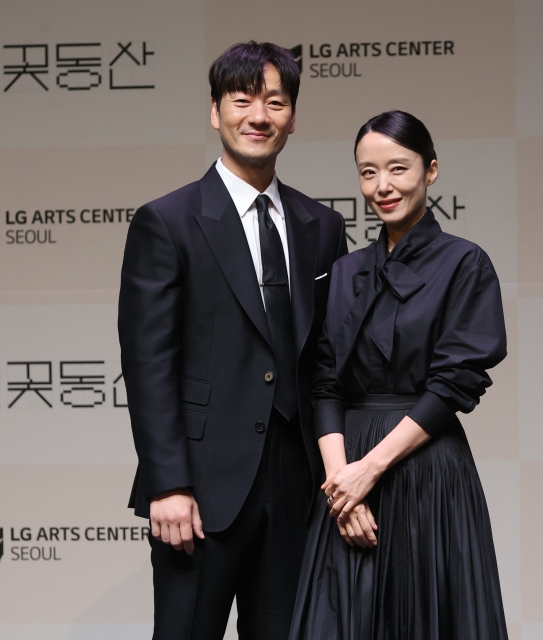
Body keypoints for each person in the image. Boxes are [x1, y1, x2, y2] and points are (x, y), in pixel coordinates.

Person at [118, 41, 347, 640]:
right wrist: (168, 482)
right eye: (242, 100)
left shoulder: (322, 226)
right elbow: (148, 363)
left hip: (296, 487)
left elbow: (326, 358)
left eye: (275, 102)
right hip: (199, 490)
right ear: (215, 112)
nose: (259, 116)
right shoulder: (167, 221)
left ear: (293, 117)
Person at [290, 110, 509, 639]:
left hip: (425, 469)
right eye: (368, 172)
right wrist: (343, 487)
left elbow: (453, 383)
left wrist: (371, 469)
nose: (382, 186)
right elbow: (323, 382)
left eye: (398, 168)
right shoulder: (344, 272)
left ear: (431, 170)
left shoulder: (465, 263)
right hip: (346, 481)